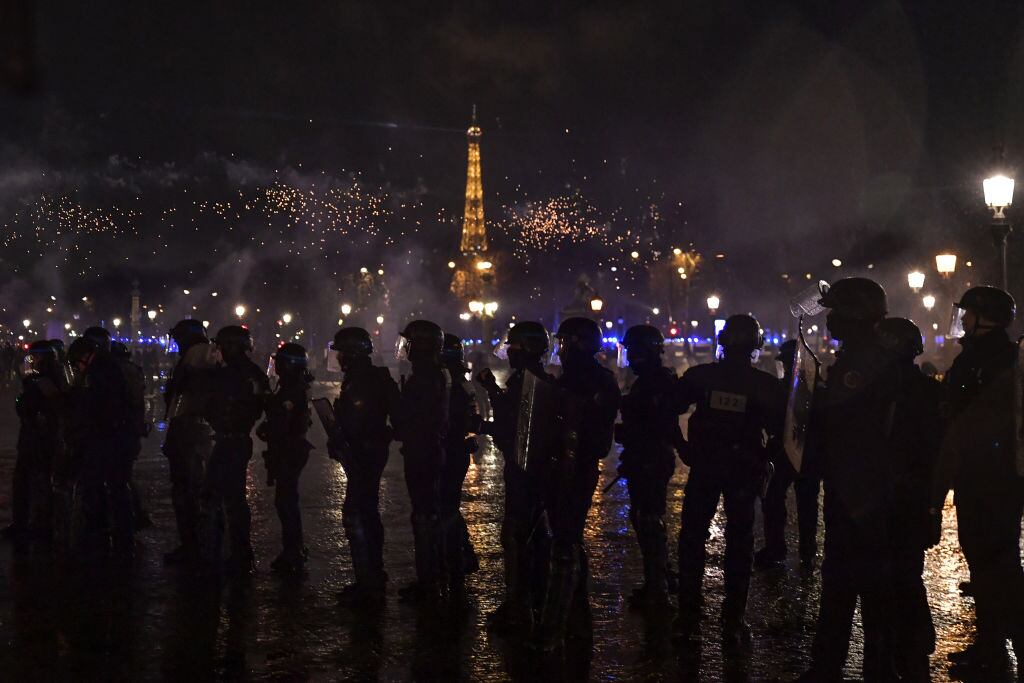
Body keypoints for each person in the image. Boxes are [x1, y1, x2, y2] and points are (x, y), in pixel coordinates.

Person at [800, 278, 900, 682]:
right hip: (867, 488)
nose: (831, 321)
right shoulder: (868, 357)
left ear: (854, 316)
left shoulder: (859, 365)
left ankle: (834, 667)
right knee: (868, 581)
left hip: (858, 489)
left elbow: (845, 426)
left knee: (847, 581)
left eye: (837, 312)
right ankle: (875, 665)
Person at [673, 314, 786, 646]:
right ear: (756, 346)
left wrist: (684, 449)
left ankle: (689, 614)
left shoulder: (701, 376)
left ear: (722, 342)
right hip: (743, 470)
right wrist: (767, 460)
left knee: (692, 539)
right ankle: (734, 619)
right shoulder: (766, 385)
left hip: (706, 466)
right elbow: (785, 433)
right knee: (741, 542)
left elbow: (669, 409)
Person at [934, 286, 1023, 675]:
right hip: (996, 474)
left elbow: (967, 418)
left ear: (985, 317)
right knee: (991, 562)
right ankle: (991, 644)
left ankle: (999, 648)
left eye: (968, 314)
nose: (963, 320)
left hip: (987, 475)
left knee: (993, 563)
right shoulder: (1000, 355)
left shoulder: (984, 360)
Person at [536, 317, 620, 651]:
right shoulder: (568, 379)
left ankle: (554, 628)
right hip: (557, 470)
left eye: (567, 343)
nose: (562, 349)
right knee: (566, 540)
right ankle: (578, 619)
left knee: (566, 544)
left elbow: (597, 442)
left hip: (577, 471)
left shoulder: (598, 382)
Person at [876, 317, 944, 681]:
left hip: (892, 495)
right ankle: (914, 642)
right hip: (912, 496)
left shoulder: (878, 390)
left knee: (893, 572)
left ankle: (905, 643)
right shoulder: (927, 390)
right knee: (907, 571)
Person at [477, 321, 556, 634]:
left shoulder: (530, 381)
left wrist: (483, 421)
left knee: (517, 536)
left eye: (513, 347)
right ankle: (529, 600)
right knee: (528, 537)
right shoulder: (532, 378)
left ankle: (520, 607)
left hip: (526, 471)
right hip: (530, 470)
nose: (508, 352)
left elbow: (517, 428)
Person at [615, 324, 682, 610]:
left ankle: (658, 587)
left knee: (649, 519)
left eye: (632, 349)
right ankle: (660, 578)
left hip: (650, 458)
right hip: (645, 456)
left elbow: (658, 423)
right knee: (644, 517)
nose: (629, 355)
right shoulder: (650, 379)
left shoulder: (656, 380)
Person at [330, 327, 400, 602]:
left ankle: (367, 581)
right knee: (366, 511)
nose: (339, 358)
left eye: (343, 353)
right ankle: (372, 575)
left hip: (365, 451)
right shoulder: (366, 377)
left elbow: (367, 416)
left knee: (357, 513)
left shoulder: (368, 379)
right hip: (364, 449)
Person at [201, 325, 269, 575]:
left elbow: (212, 404)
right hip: (238, 438)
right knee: (233, 497)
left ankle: (224, 551)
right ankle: (237, 550)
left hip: (230, 439)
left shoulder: (229, 374)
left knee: (218, 496)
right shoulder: (253, 373)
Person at [393, 320, 450, 604]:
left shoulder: (426, 378)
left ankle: (429, 580)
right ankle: (430, 576)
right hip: (425, 449)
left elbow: (418, 418)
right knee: (426, 513)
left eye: (410, 344)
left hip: (423, 451)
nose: (406, 350)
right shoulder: (430, 374)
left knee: (424, 515)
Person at [755, 339, 821, 571]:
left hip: (801, 453)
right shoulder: (809, 390)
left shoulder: (806, 391)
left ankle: (791, 549)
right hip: (797, 453)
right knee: (797, 502)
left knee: (792, 501)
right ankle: (799, 550)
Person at [66, 333, 133, 559]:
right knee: (115, 487)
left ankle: (106, 538)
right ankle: (119, 537)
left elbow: (95, 405)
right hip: (112, 435)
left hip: (104, 437)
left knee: (104, 487)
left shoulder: (99, 372)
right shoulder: (108, 368)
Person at [163, 319, 216, 566]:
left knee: (189, 490)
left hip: (191, 429)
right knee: (191, 490)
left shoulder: (198, 355)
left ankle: (196, 546)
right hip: (190, 428)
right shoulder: (198, 355)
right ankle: (199, 545)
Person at [3, 341, 67, 546]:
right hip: (35, 435)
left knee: (38, 481)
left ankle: (39, 525)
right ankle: (28, 522)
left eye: (34, 357)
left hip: (40, 437)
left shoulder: (45, 380)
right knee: (28, 480)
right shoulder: (46, 377)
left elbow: (34, 406)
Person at [257, 343, 314, 575]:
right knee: (286, 500)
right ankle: (293, 548)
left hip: (290, 448)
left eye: (280, 362)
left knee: (286, 501)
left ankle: (294, 550)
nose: (276, 366)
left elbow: (285, 418)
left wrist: (265, 399)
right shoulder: (290, 385)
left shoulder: (292, 389)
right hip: (287, 447)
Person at [439, 333, 482, 589]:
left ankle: (455, 562)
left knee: (444, 507)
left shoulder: (451, 384)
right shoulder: (457, 380)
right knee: (448, 506)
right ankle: (459, 558)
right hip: (457, 450)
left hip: (449, 451)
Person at [111, 341, 153, 531]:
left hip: (121, 429)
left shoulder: (118, 371)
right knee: (123, 475)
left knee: (120, 477)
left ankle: (129, 519)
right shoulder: (132, 369)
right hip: (130, 429)